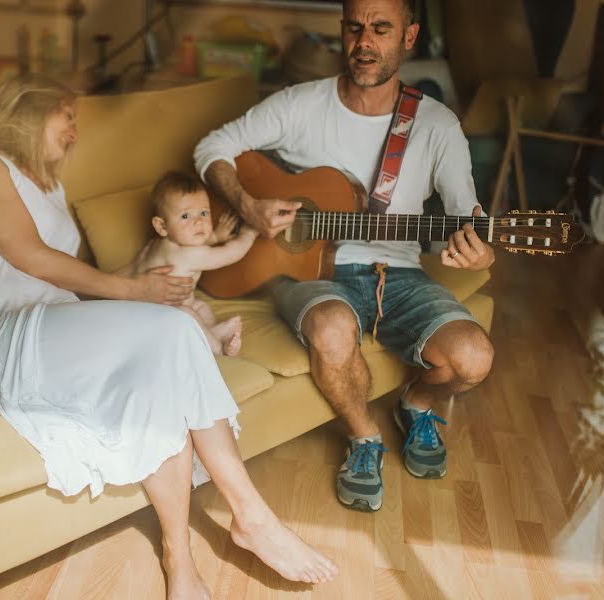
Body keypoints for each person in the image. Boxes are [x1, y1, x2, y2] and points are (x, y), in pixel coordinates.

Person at [0, 74, 337, 598]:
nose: (75, 132)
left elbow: (73, 277)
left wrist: (138, 288)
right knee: (171, 333)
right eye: (68, 116)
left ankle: (181, 560)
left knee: (164, 363)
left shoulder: (53, 188)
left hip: (51, 322)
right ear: (30, 109)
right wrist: (131, 291)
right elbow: (31, 257)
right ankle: (253, 518)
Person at [194, 0, 495, 513]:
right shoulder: (300, 104)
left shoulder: (435, 124)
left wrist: (478, 247)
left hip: (398, 273)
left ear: (409, 37)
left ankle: (416, 404)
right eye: (355, 29)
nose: (364, 43)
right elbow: (213, 146)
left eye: (381, 29)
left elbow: (466, 213)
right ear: (342, 31)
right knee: (332, 328)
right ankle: (363, 438)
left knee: (475, 357)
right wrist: (249, 204)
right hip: (310, 274)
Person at [132, 171, 259, 356]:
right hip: (160, 324)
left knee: (199, 306)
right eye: (185, 216)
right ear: (162, 226)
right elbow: (231, 254)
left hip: (157, 316)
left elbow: (191, 247)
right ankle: (217, 349)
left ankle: (213, 333)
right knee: (187, 313)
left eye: (203, 212)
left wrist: (215, 236)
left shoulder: (160, 245)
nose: (199, 221)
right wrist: (250, 232)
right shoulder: (188, 256)